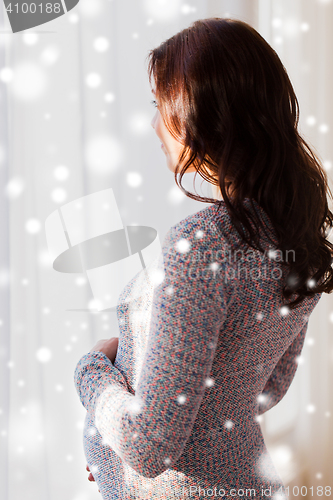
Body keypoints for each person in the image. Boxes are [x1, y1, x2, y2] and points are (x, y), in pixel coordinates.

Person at [74, 17, 333, 500]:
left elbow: (150, 447)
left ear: (200, 116)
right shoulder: (295, 232)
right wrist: (111, 448)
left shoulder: (201, 246)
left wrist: (90, 370)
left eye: (160, 106)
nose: (154, 125)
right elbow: (264, 388)